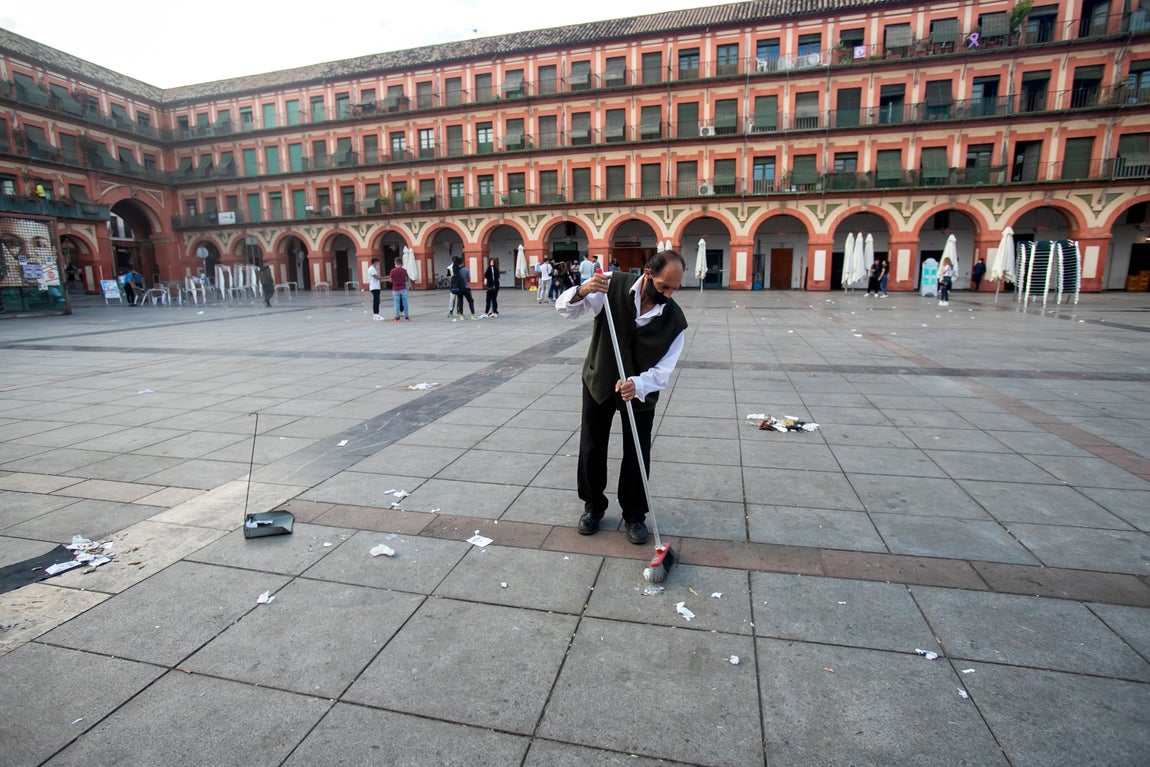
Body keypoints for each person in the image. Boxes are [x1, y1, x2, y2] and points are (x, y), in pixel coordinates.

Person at [556, 249, 688, 545]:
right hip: (599, 378)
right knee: (592, 446)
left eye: (674, 289)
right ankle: (593, 506)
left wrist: (638, 384)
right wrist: (582, 289)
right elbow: (566, 309)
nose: (667, 294)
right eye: (664, 285)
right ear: (648, 273)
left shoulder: (675, 321)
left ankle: (634, 514)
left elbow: (664, 371)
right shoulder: (611, 285)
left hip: (638, 391)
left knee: (637, 452)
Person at [389, 256, 410, 321]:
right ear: (401, 263)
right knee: (405, 303)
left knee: (396, 303)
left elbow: (391, 280)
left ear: (396, 263)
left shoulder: (393, 271)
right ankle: (406, 317)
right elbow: (406, 279)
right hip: (403, 288)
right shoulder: (404, 271)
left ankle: (397, 318)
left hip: (395, 289)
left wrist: (394, 281)